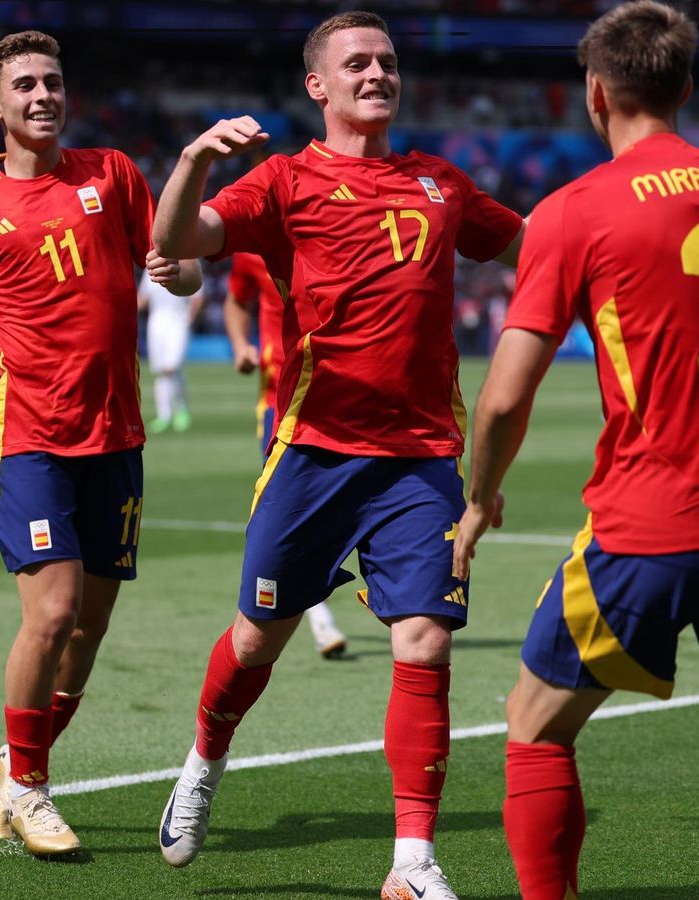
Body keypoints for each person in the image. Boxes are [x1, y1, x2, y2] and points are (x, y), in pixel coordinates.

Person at [450, 5, 699, 899]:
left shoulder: (572, 211)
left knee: (536, 726)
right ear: (686, 87)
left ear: (595, 93)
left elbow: (506, 395)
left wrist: (480, 498)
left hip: (651, 520)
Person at [152, 12, 524, 898]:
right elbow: (176, 242)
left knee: (425, 642)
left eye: (388, 61)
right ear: (318, 84)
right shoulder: (282, 181)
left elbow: (537, 246)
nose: (378, 74)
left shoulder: (441, 184)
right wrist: (198, 156)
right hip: (315, 454)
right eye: (357, 62)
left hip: (422, 459)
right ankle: (205, 760)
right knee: (255, 640)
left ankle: (412, 862)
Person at [0, 30, 200, 858]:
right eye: (26, 85)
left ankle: (16, 760)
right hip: (29, 430)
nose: (44, 95)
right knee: (54, 612)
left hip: (115, 433)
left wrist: (185, 275)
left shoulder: (113, 174)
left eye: (54, 82)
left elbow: (176, 257)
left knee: (89, 631)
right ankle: (33, 789)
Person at [222, 252, 348, 660]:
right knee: (286, 507)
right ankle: (318, 615)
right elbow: (236, 299)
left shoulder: (332, 224)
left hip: (343, 393)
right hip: (283, 398)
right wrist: (242, 345)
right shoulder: (251, 246)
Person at [138, 263, 203, 433]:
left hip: (178, 322)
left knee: (171, 367)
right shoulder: (149, 268)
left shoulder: (185, 262)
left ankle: (181, 410)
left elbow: (198, 295)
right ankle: (164, 415)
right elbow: (142, 299)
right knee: (161, 371)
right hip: (156, 324)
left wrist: (189, 317)